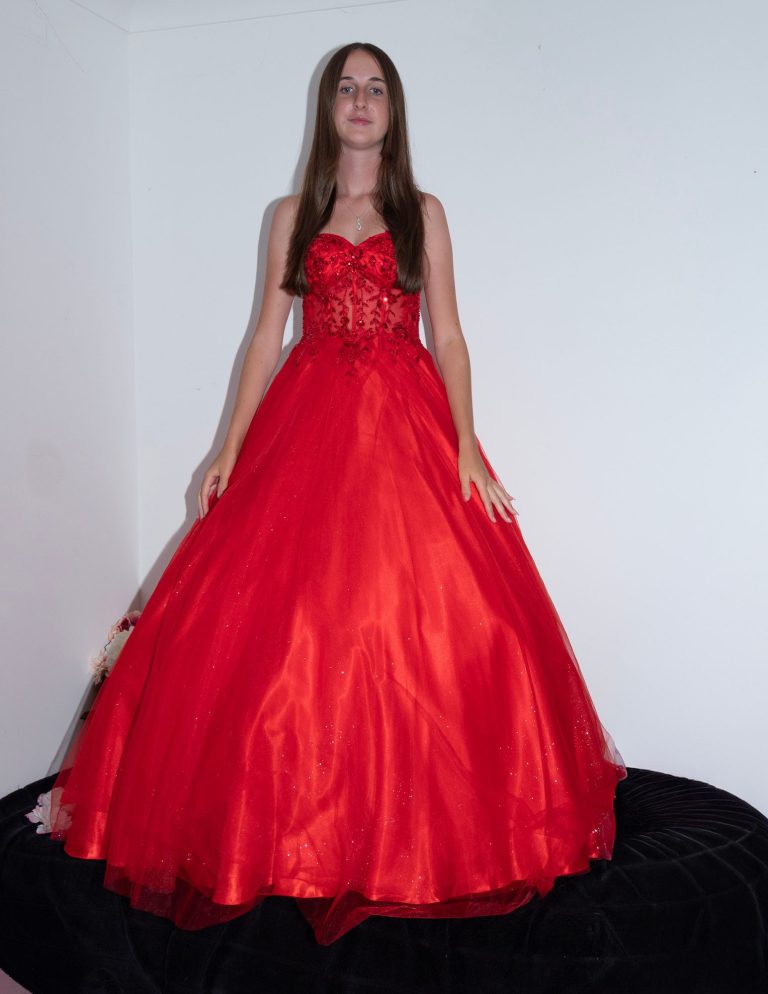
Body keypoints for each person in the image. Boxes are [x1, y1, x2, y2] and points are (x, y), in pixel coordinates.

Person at [48, 41, 627, 947]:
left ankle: (422, 840)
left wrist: (468, 449)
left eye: (377, 89)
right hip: (306, 422)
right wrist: (227, 450)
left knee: (433, 621)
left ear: (394, 111)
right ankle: (285, 839)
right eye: (347, 88)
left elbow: (454, 338)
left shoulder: (422, 212)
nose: (361, 101)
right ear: (329, 108)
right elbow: (262, 339)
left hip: (406, 425)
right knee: (288, 628)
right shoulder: (290, 215)